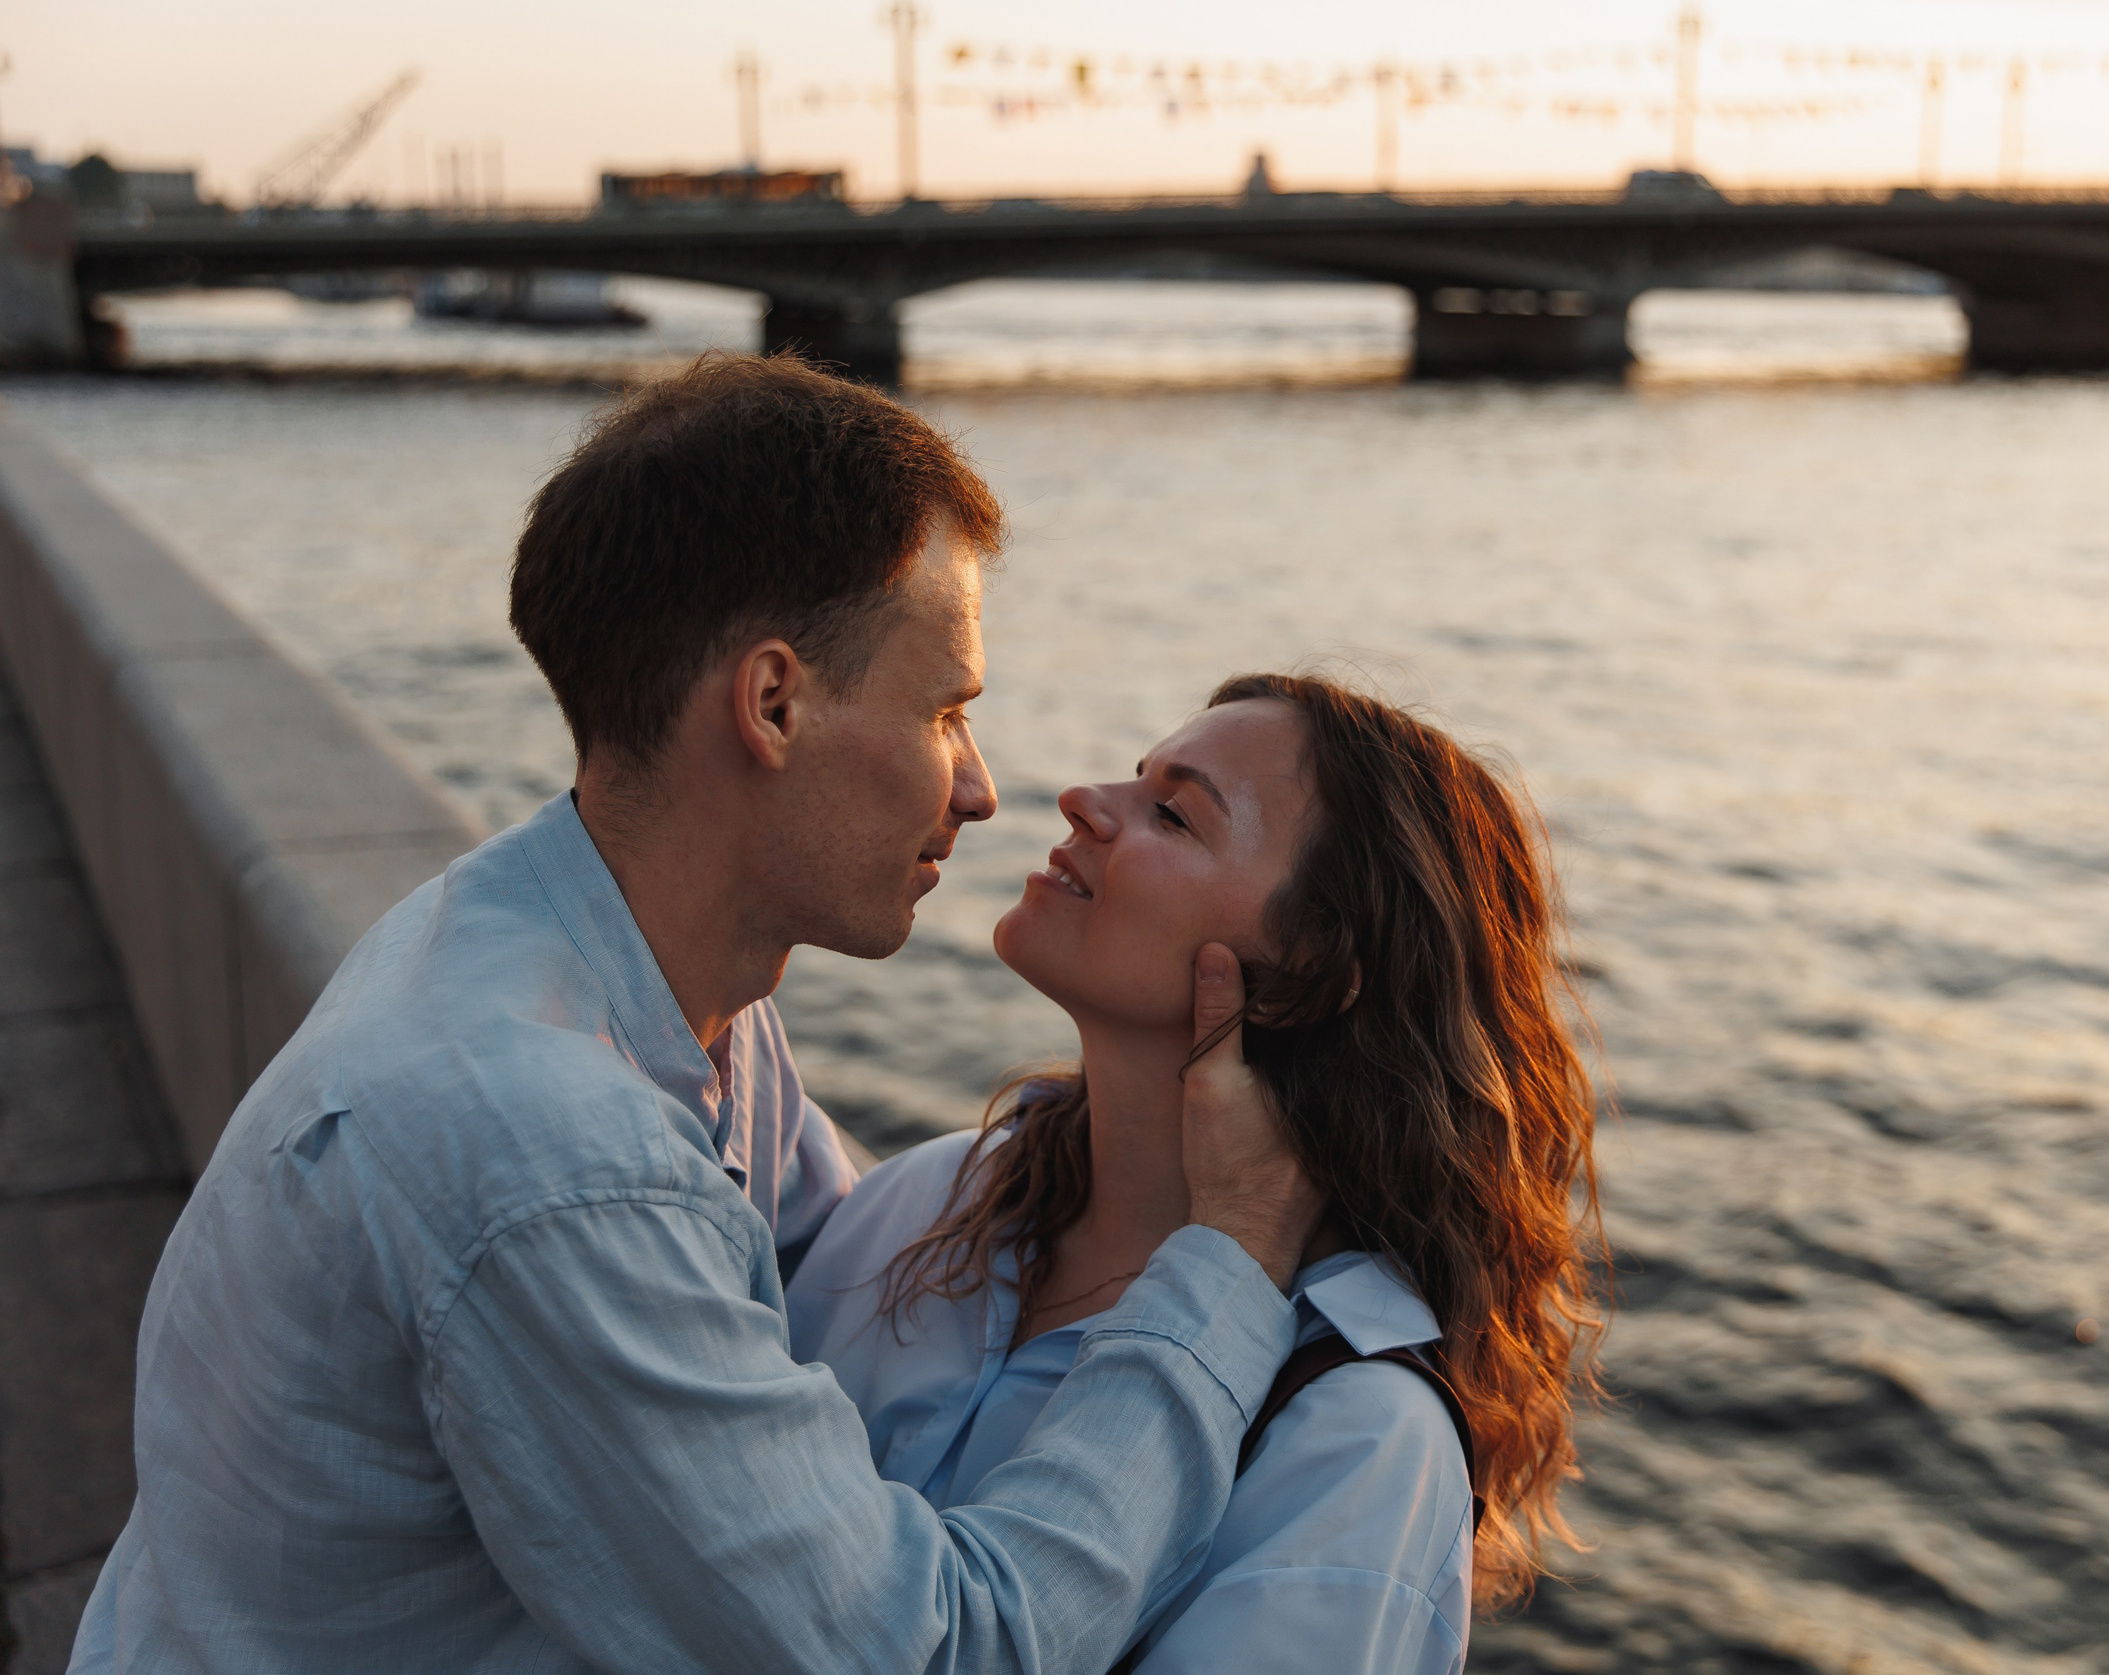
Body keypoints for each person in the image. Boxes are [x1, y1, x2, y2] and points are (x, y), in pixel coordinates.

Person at [70, 354, 1324, 1675]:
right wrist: (1232, 1263)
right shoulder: (553, 1152)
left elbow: (829, 1282)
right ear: (773, 704)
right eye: (946, 711)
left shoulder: (610, 964)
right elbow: (933, 1652)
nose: (978, 787)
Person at [789, 673, 1608, 1674]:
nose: (1083, 800)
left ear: (1307, 973)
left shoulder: (1354, 1435)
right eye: (1137, 779)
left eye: (1172, 815)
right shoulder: (934, 1196)